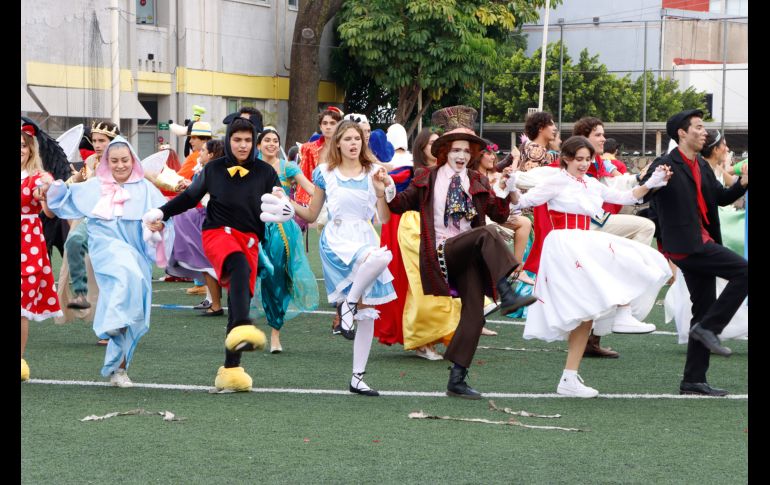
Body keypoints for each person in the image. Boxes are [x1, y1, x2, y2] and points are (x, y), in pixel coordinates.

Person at [386, 106, 536, 399]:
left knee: (474, 317)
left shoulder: (477, 180)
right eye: (456, 149)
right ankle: (506, 292)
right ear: (444, 151)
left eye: (467, 150)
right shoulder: (426, 178)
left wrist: (506, 188)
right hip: (441, 253)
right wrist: (385, 187)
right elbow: (397, 205)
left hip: (469, 255)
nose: (462, 155)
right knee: (486, 232)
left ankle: (457, 379)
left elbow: (498, 212)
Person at [511, 135, 672, 397]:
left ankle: (569, 378)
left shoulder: (591, 183)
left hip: (583, 241)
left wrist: (652, 183)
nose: (584, 164)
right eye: (579, 159)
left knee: (589, 308)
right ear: (566, 158)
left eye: (587, 159)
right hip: (564, 245)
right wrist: (510, 187)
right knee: (601, 281)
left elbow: (626, 196)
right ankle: (620, 313)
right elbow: (522, 203)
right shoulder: (556, 181)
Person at [144, 116, 284, 392]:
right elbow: (190, 197)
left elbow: (279, 200)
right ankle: (245, 326)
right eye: (237, 140)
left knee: (240, 293)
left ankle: (231, 370)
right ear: (229, 141)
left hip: (250, 240)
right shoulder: (213, 169)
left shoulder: (266, 172)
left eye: (247, 140)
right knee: (240, 267)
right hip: (217, 234)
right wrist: (163, 213)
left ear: (254, 142)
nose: (243, 146)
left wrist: (284, 207)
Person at [43, 136, 173, 387]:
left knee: (134, 307)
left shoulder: (146, 189)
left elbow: (165, 215)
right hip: (106, 245)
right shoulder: (95, 186)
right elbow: (67, 196)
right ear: (106, 162)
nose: (120, 165)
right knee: (126, 275)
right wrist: (51, 187)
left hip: (135, 250)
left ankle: (119, 369)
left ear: (133, 160)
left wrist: (159, 224)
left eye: (125, 160)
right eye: (114, 161)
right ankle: (110, 325)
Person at [283, 120, 397, 396]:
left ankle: (358, 377)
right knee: (378, 258)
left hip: (364, 236)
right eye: (346, 139)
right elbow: (311, 215)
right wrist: (289, 205)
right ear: (338, 143)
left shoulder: (374, 172)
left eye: (357, 138)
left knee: (368, 311)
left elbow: (382, 218)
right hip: (336, 239)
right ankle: (348, 306)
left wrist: (382, 191)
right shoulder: (325, 173)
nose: (353, 143)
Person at [642, 110, 748, 396]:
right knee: (744, 272)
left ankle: (693, 380)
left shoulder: (700, 164)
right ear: (682, 133)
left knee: (702, 307)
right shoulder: (666, 164)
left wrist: (743, 183)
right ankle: (711, 328)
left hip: (699, 242)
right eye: (699, 128)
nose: (705, 133)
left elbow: (720, 198)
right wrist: (652, 181)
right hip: (687, 244)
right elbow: (644, 194)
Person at [251, 127, 319, 353]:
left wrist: (326, 184)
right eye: (266, 140)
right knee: (248, 272)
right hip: (253, 224)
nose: (271, 144)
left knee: (276, 274)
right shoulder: (250, 166)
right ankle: (242, 321)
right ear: (259, 145)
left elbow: (310, 188)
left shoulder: (288, 167)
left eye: (275, 140)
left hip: (282, 228)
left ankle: (275, 332)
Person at [55, 121, 121, 344]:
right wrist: (59, 186)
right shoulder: (91, 161)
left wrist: (174, 183)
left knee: (109, 276)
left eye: (102, 140)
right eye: (94, 140)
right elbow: (79, 179)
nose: (97, 144)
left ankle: (111, 327)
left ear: (113, 141)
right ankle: (81, 294)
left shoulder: (122, 160)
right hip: (92, 219)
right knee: (74, 242)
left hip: (116, 221)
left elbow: (145, 178)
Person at [21, 122, 63, 381]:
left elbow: (49, 211)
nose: (20, 150)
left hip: (28, 242)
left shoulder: (37, 177)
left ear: (30, 149)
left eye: (23, 145)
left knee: (21, 303)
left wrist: (48, 191)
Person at [166, 139, 226, 316]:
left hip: (210, 220)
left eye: (203, 151)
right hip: (208, 218)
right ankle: (213, 300)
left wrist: (191, 190)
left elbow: (205, 196)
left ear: (211, 154)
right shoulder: (212, 170)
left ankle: (216, 304)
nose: (199, 154)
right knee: (208, 263)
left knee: (205, 262)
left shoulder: (212, 171)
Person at [295, 107, 343, 206]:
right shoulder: (309, 149)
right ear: (320, 127)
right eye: (325, 123)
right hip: (316, 201)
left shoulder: (346, 147)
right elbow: (305, 177)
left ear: (339, 126)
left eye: (332, 123)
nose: (328, 127)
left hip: (341, 199)